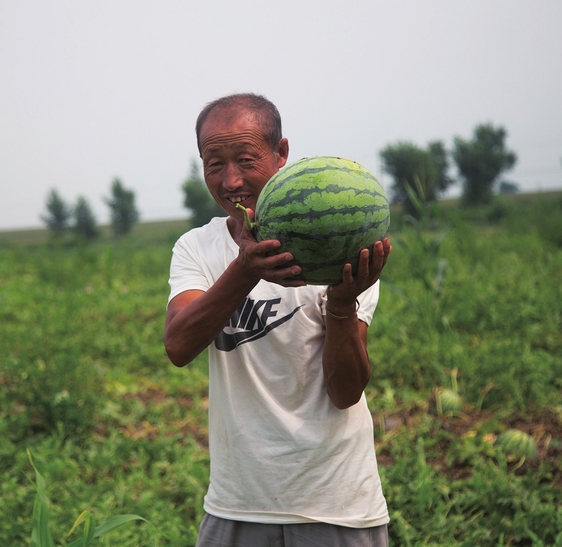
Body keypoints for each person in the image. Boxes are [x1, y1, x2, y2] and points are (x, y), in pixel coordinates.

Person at [164, 93, 392, 547]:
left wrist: (342, 307)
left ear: (281, 154)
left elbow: (346, 393)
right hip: (237, 504)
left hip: (338, 506)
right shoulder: (198, 248)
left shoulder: (338, 249)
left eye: (246, 160)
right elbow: (179, 345)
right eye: (214, 164)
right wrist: (245, 270)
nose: (231, 180)